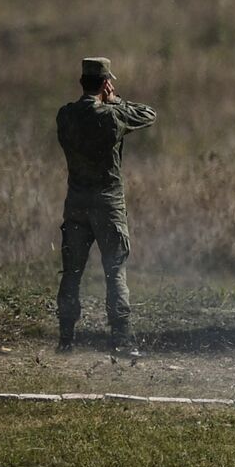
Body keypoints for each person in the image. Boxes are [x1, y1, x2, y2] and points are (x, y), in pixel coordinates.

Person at [55, 57, 157, 355]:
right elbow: (148, 114)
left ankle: (65, 339)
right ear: (104, 84)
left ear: (82, 82)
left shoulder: (65, 115)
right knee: (115, 271)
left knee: (71, 272)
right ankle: (122, 339)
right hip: (108, 202)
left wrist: (104, 99)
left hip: (76, 202)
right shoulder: (112, 116)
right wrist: (114, 100)